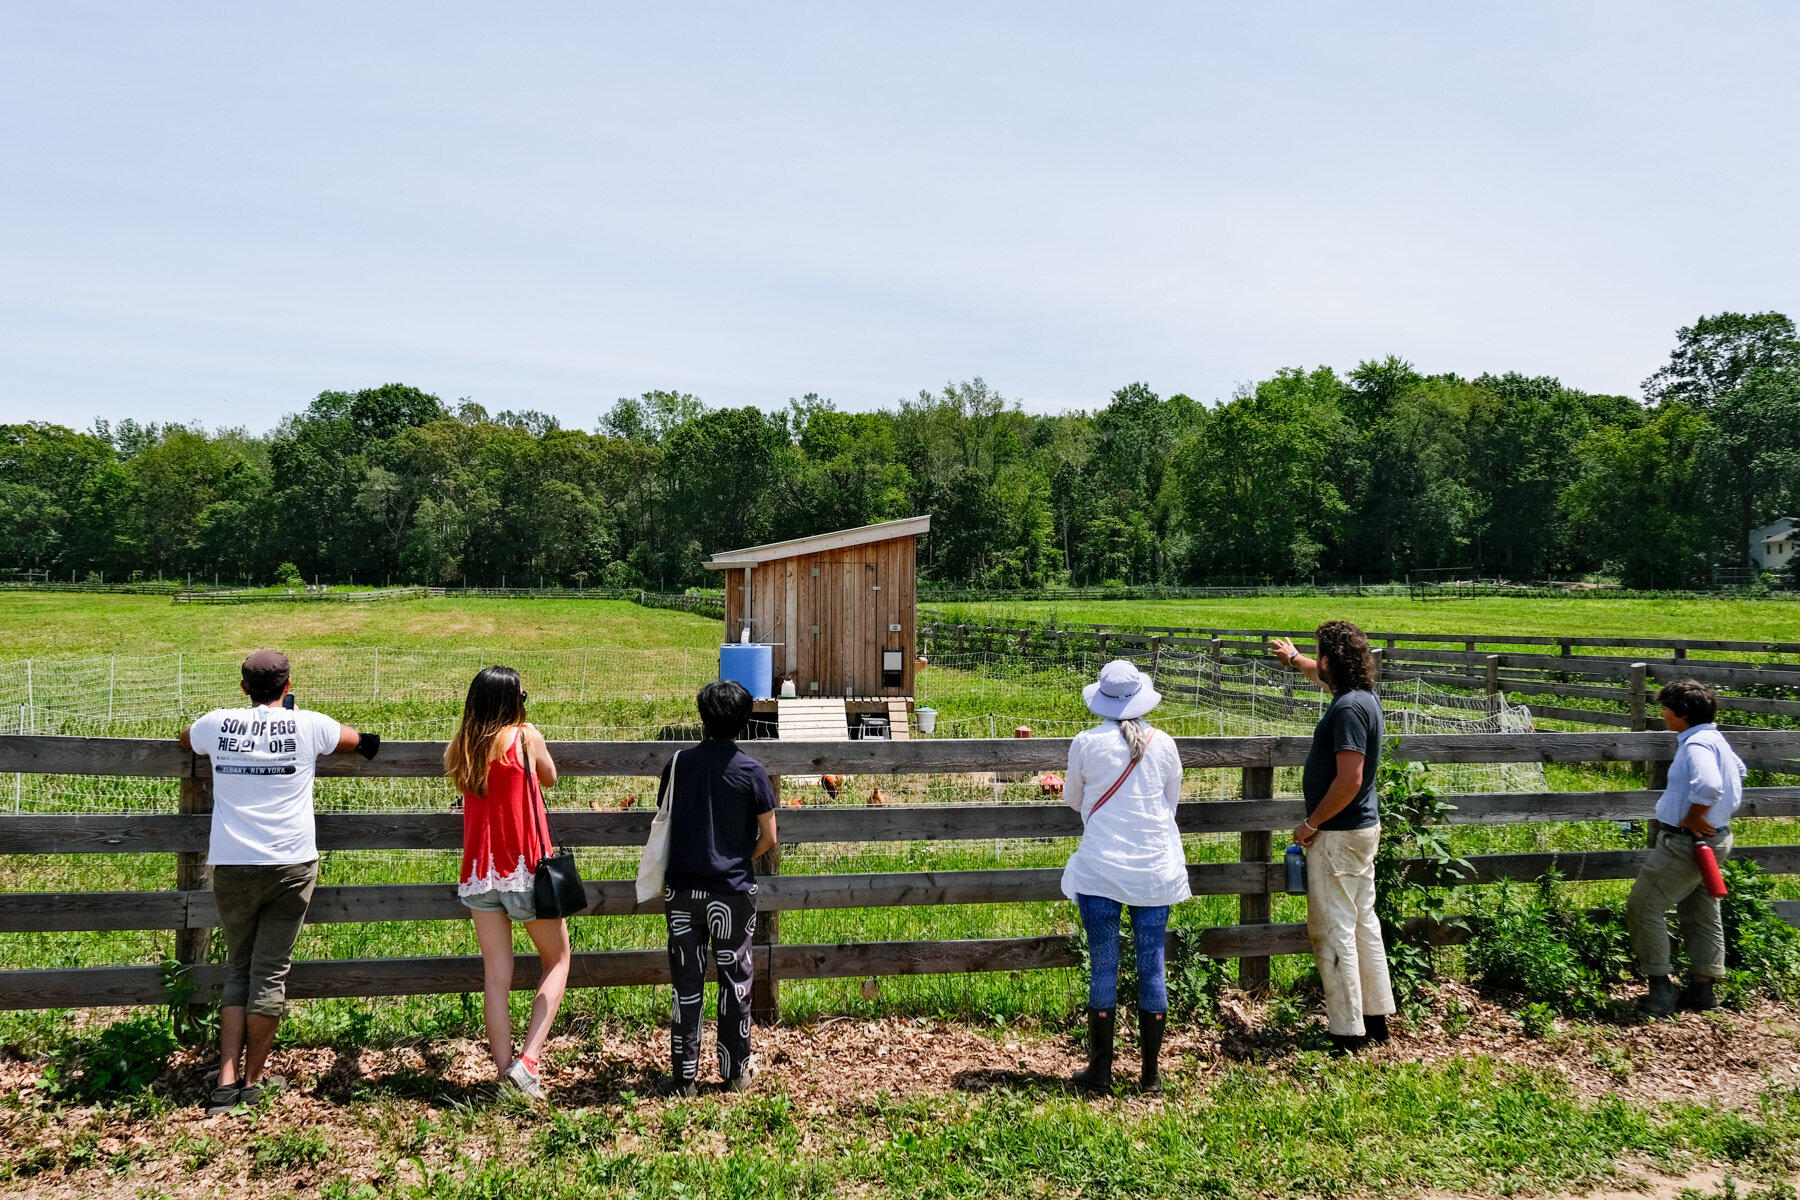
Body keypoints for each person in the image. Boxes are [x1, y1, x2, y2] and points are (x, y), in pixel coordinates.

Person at [177, 650, 379, 1115]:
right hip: (290, 862)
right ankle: (253, 1081)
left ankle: (224, 1080)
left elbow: (184, 739)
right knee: (269, 971)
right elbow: (362, 741)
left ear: (244, 687)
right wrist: (302, 719)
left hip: (233, 863)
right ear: (288, 685)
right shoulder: (309, 724)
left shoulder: (218, 722)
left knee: (238, 967)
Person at [1060, 659, 1190, 1093]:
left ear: (1101, 699)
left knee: (1104, 966)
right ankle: (1150, 1074)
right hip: (1154, 869)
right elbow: (1169, 806)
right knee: (1152, 965)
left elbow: (1073, 801)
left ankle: (1100, 1071)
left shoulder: (1085, 743)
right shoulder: (1166, 744)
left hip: (1100, 868)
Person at [445, 666, 571, 1100]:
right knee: (557, 961)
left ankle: (505, 1076)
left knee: (496, 978)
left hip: (479, 875)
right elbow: (550, 777)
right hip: (524, 871)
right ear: (512, 701)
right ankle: (529, 1062)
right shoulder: (525, 737)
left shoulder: (462, 746)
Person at [1272, 622, 1396, 1054]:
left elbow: (1349, 779)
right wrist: (1293, 660)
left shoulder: (1345, 710)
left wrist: (1312, 824)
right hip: (1361, 830)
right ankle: (1376, 1019)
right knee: (1364, 923)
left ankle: (1346, 1032)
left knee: (1333, 929)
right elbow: (1318, 672)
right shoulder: (1363, 698)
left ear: (1330, 661)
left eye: (1318, 655)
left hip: (1338, 835)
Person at [657, 679, 778, 1096]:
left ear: (702, 718)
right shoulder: (752, 771)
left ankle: (684, 1076)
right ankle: (734, 1072)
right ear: (744, 721)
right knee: (735, 980)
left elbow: (665, 819)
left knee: (686, 982)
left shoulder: (678, 765)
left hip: (683, 890)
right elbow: (769, 836)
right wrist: (739, 855)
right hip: (732, 891)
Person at [1626, 679, 1746, 1015]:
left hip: (1685, 843)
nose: (1662, 713)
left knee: (1643, 906)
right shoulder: (1713, 738)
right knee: (1702, 912)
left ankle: (1660, 989)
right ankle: (1703, 990)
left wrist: (1694, 815)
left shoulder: (1696, 745)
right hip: (1715, 839)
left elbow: (1709, 785)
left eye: (1665, 707)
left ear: (1683, 714)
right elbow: (1739, 769)